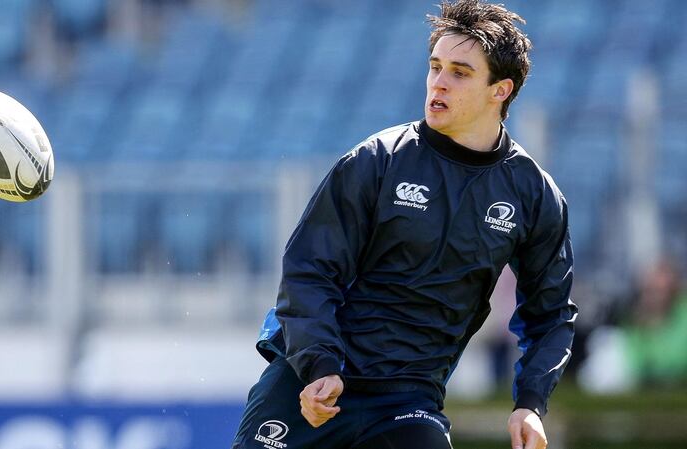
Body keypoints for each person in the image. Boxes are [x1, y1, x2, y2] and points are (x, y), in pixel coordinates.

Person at [231, 1, 577, 448]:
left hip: (408, 398)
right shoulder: (377, 161)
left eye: (460, 72)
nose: (439, 82)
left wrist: (530, 403)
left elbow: (551, 315)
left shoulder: (533, 194)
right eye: (435, 67)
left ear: (500, 90)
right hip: (312, 384)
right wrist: (319, 364)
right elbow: (309, 270)